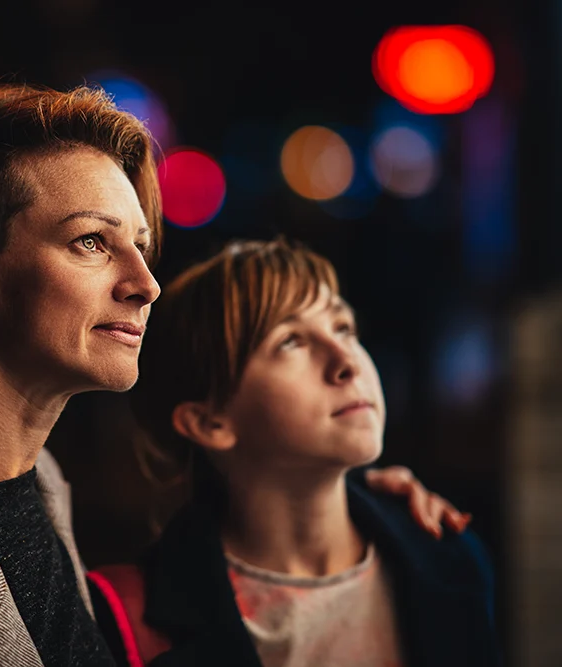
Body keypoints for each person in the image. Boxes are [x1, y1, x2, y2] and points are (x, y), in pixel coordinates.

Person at [0, 84, 467, 667]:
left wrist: (363, 509)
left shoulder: (40, 480)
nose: (146, 282)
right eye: (90, 243)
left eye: (140, 245)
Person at [88, 237, 500, 667]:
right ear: (210, 423)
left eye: (343, 328)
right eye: (290, 342)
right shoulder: (129, 620)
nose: (348, 361)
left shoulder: (449, 559)